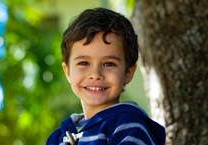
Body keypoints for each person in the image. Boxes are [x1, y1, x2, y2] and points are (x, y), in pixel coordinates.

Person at [46, 7, 165, 145]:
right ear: (67, 72)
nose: (95, 74)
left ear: (128, 73)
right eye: (84, 63)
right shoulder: (57, 138)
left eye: (109, 64)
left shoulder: (128, 126)